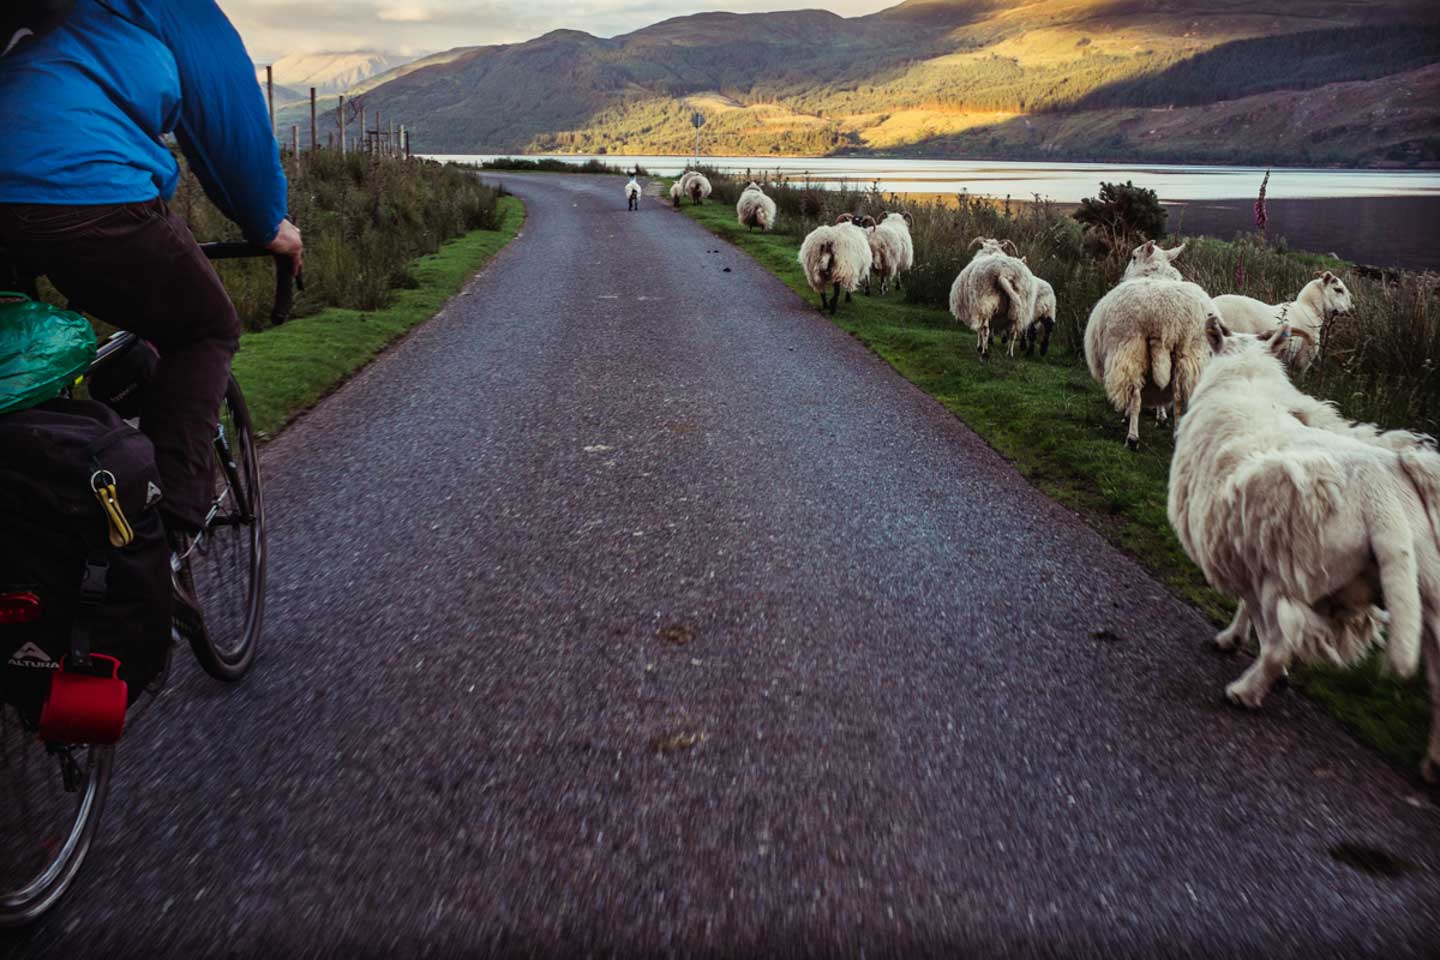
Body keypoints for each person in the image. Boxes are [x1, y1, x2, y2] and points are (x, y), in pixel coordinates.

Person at [0, 0, 302, 547]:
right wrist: (267, 222)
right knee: (203, 329)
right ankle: (166, 531)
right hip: (91, 193)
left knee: (21, 360)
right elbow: (230, 127)